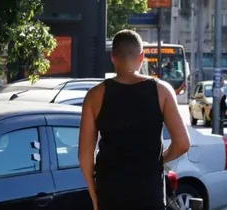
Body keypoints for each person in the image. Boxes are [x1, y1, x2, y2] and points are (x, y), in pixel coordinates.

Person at [79, 30, 190, 210]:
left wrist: (94, 194)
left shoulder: (95, 95)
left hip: (110, 195)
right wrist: (160, 160)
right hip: (149, 196)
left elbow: (85, 155)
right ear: (142, 57)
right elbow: (182, 143)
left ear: (113, 57)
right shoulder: (162, 91)